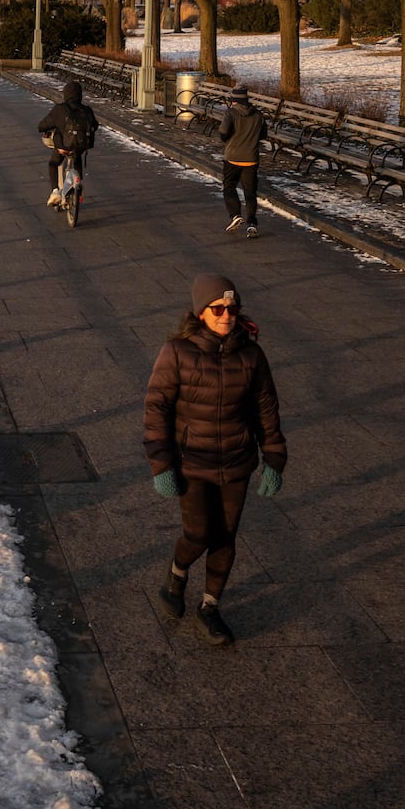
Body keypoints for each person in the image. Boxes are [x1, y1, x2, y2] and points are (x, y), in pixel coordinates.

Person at [143, 274, 287, 646]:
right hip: (192, 463)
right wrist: (161, 464)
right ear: (201, 312)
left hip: (236, 462)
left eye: (232, 308)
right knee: (198, 534)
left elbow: (266, 409)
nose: (226, 315)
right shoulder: (177, 352)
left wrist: (273, 457)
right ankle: (177, 574)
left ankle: (210, 607)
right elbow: (156, 407)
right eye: (218, 309)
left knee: (225, 537)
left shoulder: (252, 356)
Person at [37, 80, 98, 207]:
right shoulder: (87, 110)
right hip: (82, 145)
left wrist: (45, 129)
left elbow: (42, 125)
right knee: (77, 158)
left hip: (63, 146)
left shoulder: (60, 109)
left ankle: (55, 192)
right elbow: (95, 125)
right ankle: (78, 186)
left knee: (53, 163)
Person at [218, 84, 265, 237]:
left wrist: (229, 138)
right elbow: (263, 134)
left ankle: (235, 215)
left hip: (232, 157)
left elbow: (223, 132)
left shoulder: (230, 114)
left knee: (229, 187)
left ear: (236, 101)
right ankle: (252, 224)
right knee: (250, 192)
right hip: (251, 159)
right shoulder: (258, 115)